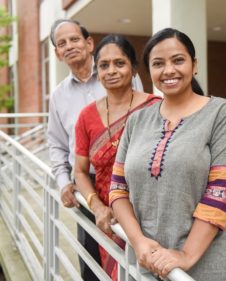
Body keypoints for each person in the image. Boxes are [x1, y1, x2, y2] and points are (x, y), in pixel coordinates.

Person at [109, 28, 226, 281]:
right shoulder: (137, 120)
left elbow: (222, 192)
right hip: (148, 262)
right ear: (149, 71)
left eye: (178, 60)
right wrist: (138, 242)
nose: (168, 70)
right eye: (158, 63)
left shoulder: (219, 113)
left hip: (208, 263)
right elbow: (117, 189)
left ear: (194, 65)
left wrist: (185, 255)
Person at [47, 19, 144, 281]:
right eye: (61, 43)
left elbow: (143, 126)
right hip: (87, 184)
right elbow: (55, 143)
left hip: (130, 181)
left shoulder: (119, 74)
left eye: (74, 39)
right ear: (57, 53)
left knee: (133, 252)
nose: (69, 46)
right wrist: (63, 181)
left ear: (89, 43)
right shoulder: (58, 95)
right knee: (92, 257)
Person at [74, 34, 161, 280]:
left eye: (119, 63)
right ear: (96, 70)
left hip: (151, 217)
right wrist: (97, 206)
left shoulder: (156, 107)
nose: (111, 71)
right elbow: (80, 171)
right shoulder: (86, 116)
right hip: (110, 221)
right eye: (104, 65)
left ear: (133, 68)